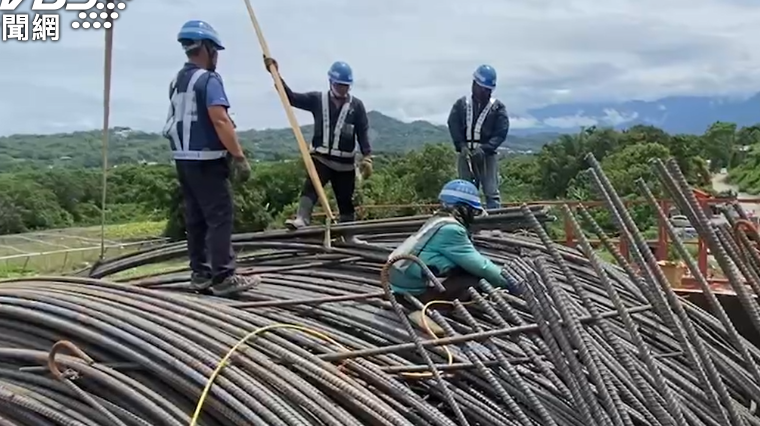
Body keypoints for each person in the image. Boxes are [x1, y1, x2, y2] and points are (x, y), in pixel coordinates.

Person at [164, 20, 259, 296]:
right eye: (215, 50)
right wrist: (238, 156)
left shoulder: (177, 81)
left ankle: (200, 274)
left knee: (196, 218)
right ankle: (224, 276)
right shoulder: (208, 79)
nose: (217, 56)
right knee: (219, 216)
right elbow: (219, 119)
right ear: (206, 49)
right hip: (207, 160)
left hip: (184, 160)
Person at [386, 179, 520, 333]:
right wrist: (509, 282)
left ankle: (420, 306)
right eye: (473, 211)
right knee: (473, 280)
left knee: (459, 271)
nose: (474, 216)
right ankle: (430, 311)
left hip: (400, 286)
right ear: (463, 209)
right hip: (414, 291)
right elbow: (480, 266)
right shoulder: (451, 230)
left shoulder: (438, 220)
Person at [262, 57, 373, 229]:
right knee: (311, 188)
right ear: (331, 82)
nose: (343, 90)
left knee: (346, 200)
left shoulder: (356, 106)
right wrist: (276, 75)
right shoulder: (317, 99)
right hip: (322, 158)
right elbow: (291, 98)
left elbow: (362, 131)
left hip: (345, 164)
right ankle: (302, 219)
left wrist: (367, 156)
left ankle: (349, 234)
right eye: (339, 85)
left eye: (346, 86)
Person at [448, 65, 509, 210]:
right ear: (474, 84)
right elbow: (453, 123)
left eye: (487, 90)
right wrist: (461, 145)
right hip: (466, 153)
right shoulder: (462, 104)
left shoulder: (497, 108)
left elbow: (501, 132)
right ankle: (468, 220)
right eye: (481, 88)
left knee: (491, 191)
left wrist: (485, 148)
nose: (484, 92)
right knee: (466, 192)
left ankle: (494, 222)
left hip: (486, 155)